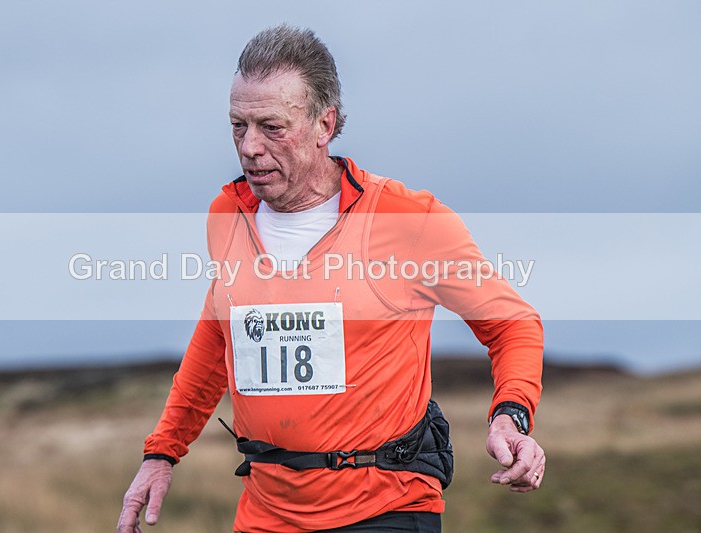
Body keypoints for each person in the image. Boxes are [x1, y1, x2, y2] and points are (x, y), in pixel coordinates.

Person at [118, 24, 545, 533]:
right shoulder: (226, 215)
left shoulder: (406, 220)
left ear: (325, 124)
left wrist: (510, 415)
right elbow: (219, 338)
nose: (250, 146)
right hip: (264, 512)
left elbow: (512, 323)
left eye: (271, 127)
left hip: (385, 506)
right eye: (238, 125)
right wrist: (162, 451)